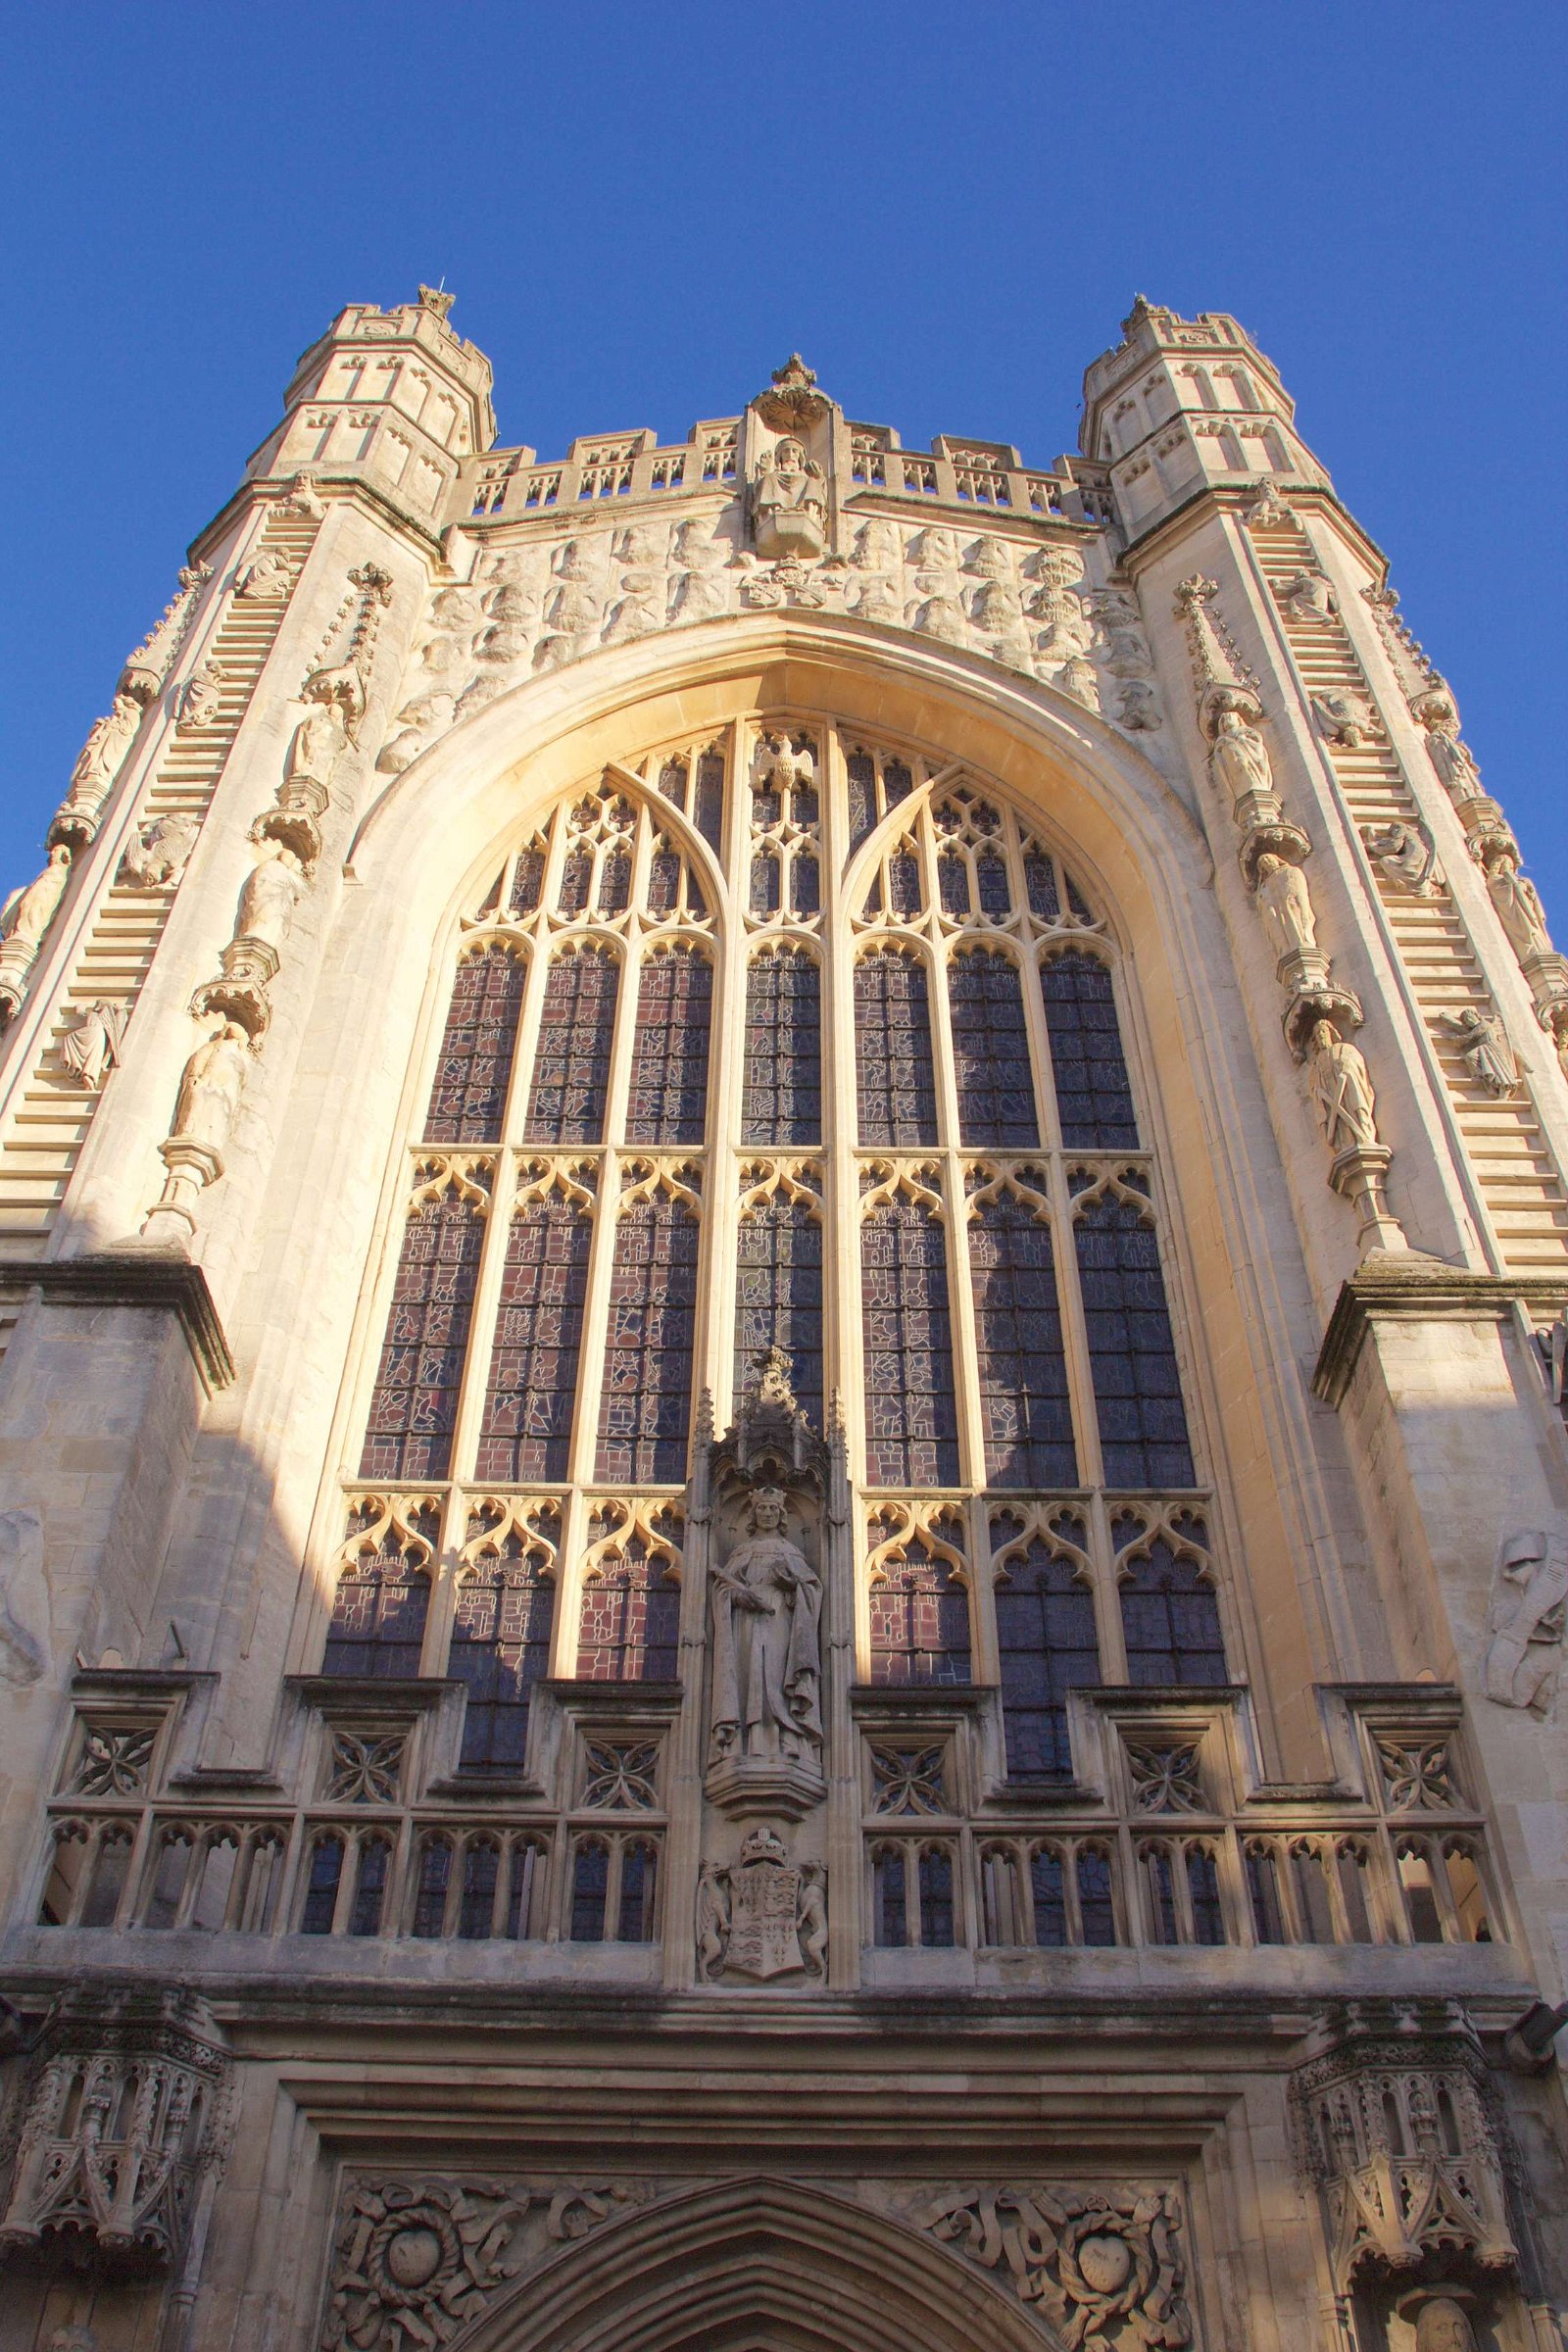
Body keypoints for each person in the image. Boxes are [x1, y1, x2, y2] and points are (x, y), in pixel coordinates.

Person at [710, 1486, 823, 1766]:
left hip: (780, 1621)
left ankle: (787, 1739)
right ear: (753, 1514)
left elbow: (812, 1590)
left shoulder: (791, 1552)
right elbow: (721, 1591)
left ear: (782, 1514)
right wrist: (738, 1596)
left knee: (775, 1675)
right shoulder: (742, 1551)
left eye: (773, 1509)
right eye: (762, 1508)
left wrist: (792, 1588)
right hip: (745, 1624)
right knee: (752, 1677)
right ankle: (747, 1742)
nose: (768, 1513)